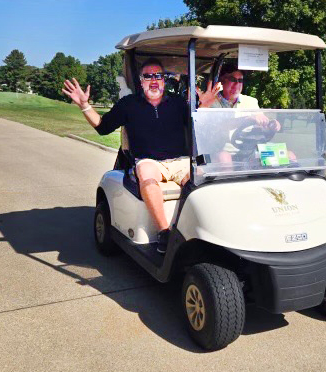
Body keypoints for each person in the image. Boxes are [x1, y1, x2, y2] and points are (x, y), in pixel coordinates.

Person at [62, 59, 218, 253]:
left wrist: (204, 107)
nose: (154, 80)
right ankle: (164, 233)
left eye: (158, 76)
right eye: (148, 76)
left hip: (180, 162)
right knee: (145, 171)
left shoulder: (177, 103)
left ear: (164, 80)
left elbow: (198, 126)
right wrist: (85, 105)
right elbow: (103, 127)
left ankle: (194, 231)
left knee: (200, 178)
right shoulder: (129, 105)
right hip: (150, 162)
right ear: (141, 80)